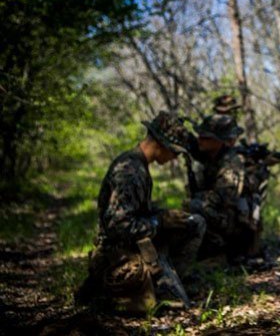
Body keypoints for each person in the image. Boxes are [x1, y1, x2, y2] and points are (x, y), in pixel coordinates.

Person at [77, 111, 206, 314]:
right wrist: (160, 221)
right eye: (175, 152)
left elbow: (137, 213)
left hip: (138, 244)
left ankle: (167, 278)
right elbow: (118, 227)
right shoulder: (130, 170)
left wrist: (165, 215)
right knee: (178, 305)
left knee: (194, 223)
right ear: (161, 144)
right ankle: (111, 291)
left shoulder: (139, 166)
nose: (174, 158)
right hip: (120, 254)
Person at [188, 114, 257, 260]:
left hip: (233, 222)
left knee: (195, 205)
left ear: (220, 141)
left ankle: (221, 249)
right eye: (200, 135)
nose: (199, 140)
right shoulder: (210, 154)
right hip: (221, 215)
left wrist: (195, 201)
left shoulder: (231, 163)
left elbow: (223, 198)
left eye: (206, 137)